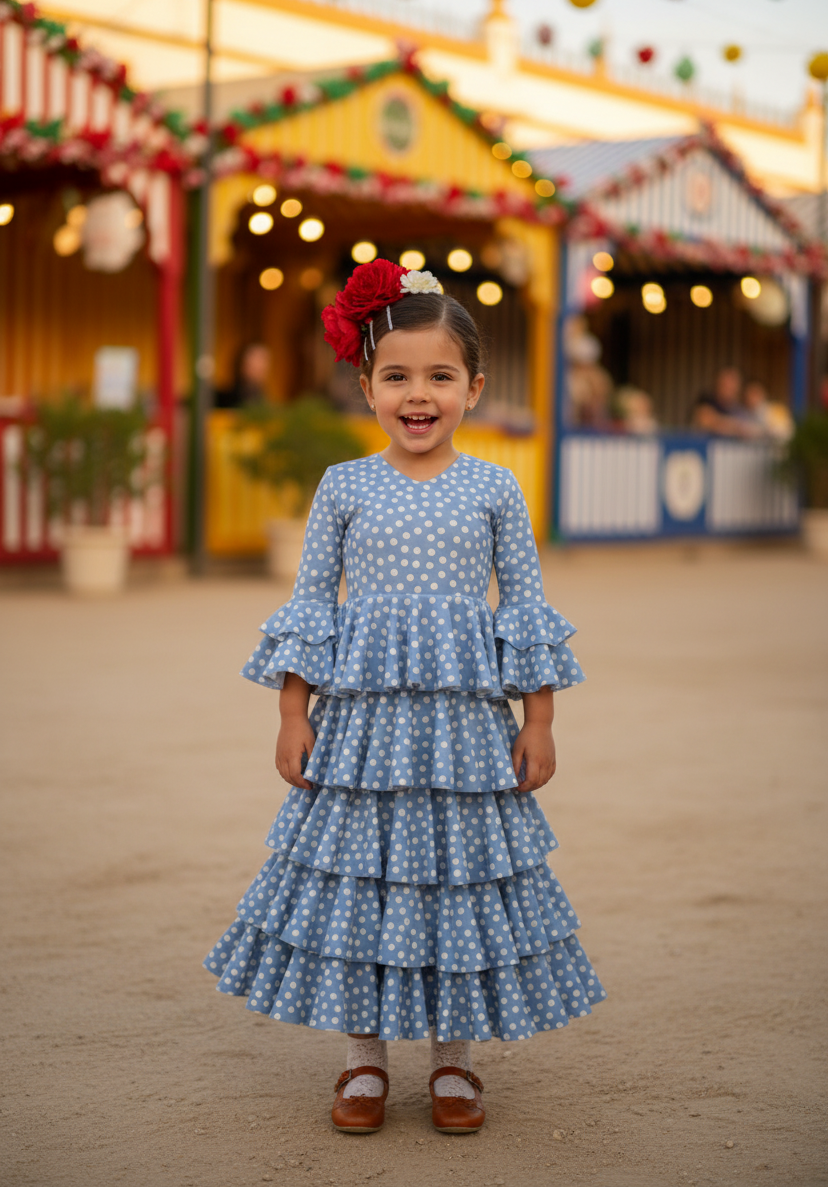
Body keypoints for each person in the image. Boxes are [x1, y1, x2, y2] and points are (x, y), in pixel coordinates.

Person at [204, 259, 605, 1135]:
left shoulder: (496, 487)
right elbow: (312, 606)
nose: (417, 396)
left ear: (473, 388)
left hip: (465, 739)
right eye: (397, 378)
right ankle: (362, 1062)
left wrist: (539, 719)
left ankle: (455, 1061)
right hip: (363, 738)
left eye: (439, 377)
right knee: (365, 885)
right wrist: (291, 710)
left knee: (454, 885)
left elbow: (525, 608)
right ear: (366, 385)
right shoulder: (344, 486)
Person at [692, 366, 760, 438]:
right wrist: (737, 427)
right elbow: (706, 421)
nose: (729, 387)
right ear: (717, 383)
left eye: (733, 383)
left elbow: (752, 429)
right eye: (726, 383)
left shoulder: (739, 409)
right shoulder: (706, 401)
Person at [214, 341, 272, 408]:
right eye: (251, 363)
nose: (257, 366)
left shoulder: (267, 405)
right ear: (240, 364)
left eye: (263, 361)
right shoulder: (219, 399)